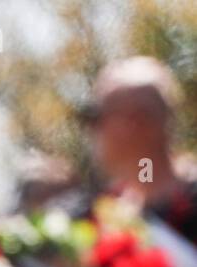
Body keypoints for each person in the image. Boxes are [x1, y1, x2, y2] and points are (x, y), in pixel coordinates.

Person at [84, 56, 197, 244]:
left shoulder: (190, 201)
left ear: (136, 122)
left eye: (97, 116)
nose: (92, 129)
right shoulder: (110, 211)